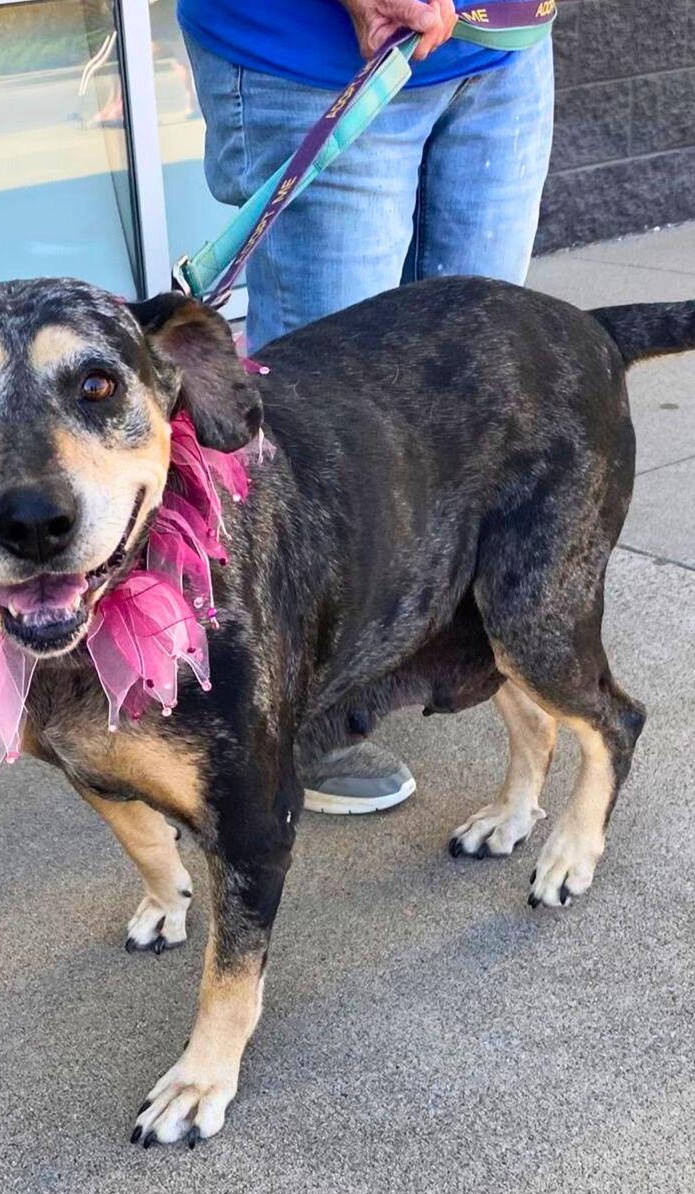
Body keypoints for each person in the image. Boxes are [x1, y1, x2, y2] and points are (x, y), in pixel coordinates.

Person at [179, 0, 555, 814]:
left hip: (502, 48)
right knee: (321, 438)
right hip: (317, 51)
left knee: (471, 403)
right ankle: (297, 702)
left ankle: (406, 644)